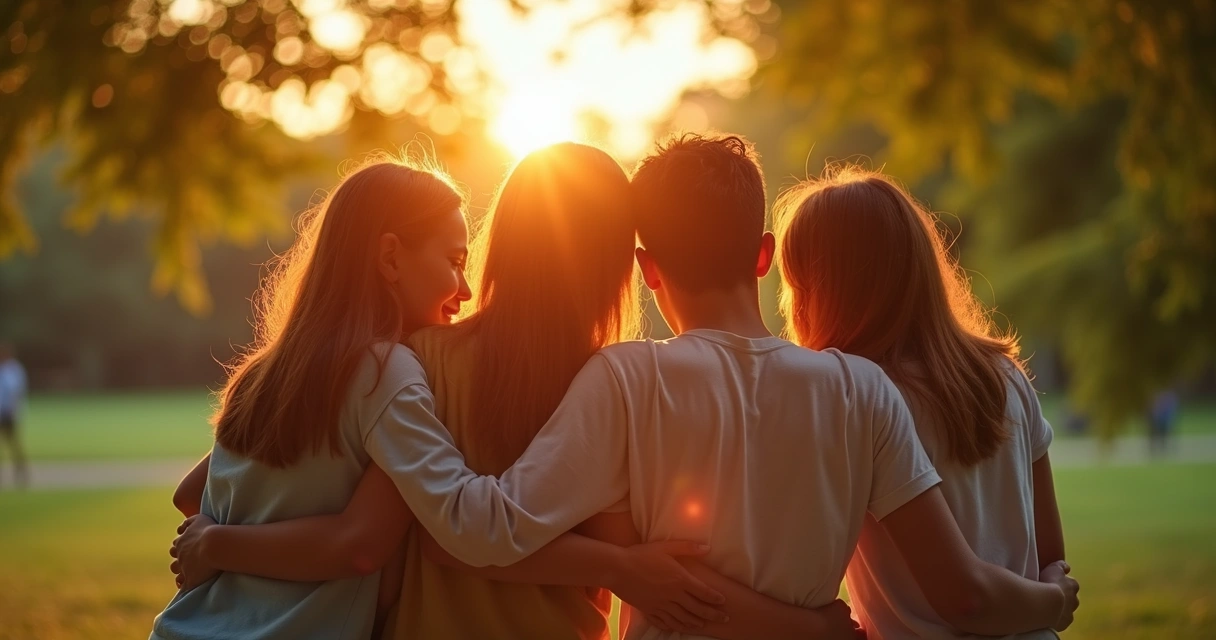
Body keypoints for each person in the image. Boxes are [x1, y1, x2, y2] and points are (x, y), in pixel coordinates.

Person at [174, 134, 1078, 639]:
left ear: (647, 269)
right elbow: (956, 579)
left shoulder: (604, 377)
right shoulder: (859, 390)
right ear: (763, 256)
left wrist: (219, 539)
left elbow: (473, 537)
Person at [773, 167, 1076, 638]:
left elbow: (966, 599)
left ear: (822, 291)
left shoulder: (856, 400)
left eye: (797, 286)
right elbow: (1050, 559)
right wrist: (1052, 602)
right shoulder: (1007, 377)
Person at [0, 341, 29, 488]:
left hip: (8, 412)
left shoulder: (14, 370)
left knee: (13, 444)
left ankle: (21, 473)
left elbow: (16, 391)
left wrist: (13, 409)